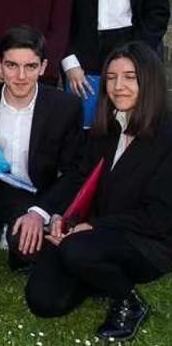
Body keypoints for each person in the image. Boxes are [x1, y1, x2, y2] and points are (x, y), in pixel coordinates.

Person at [25, 42, 172, 341]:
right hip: (95, 234)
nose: (118, 86)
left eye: (130, 77)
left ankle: (129, 302)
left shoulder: (167, 135)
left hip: (146, 241)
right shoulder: (104, 128)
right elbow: (80, 179)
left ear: (150, 80)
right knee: (43, 301)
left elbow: (158, 217)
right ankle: (97, 272)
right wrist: (62, 218)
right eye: (111, 77)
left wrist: (90, 227)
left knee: (75, 249)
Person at [0, 26, 83, 293]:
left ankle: (13, 236)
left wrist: (39, 213)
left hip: (31, 195)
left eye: (30, 66)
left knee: (26, 255)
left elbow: (73, 172)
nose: (21, 76)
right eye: (12, 65)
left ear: (44, 66)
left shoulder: (64, 107)